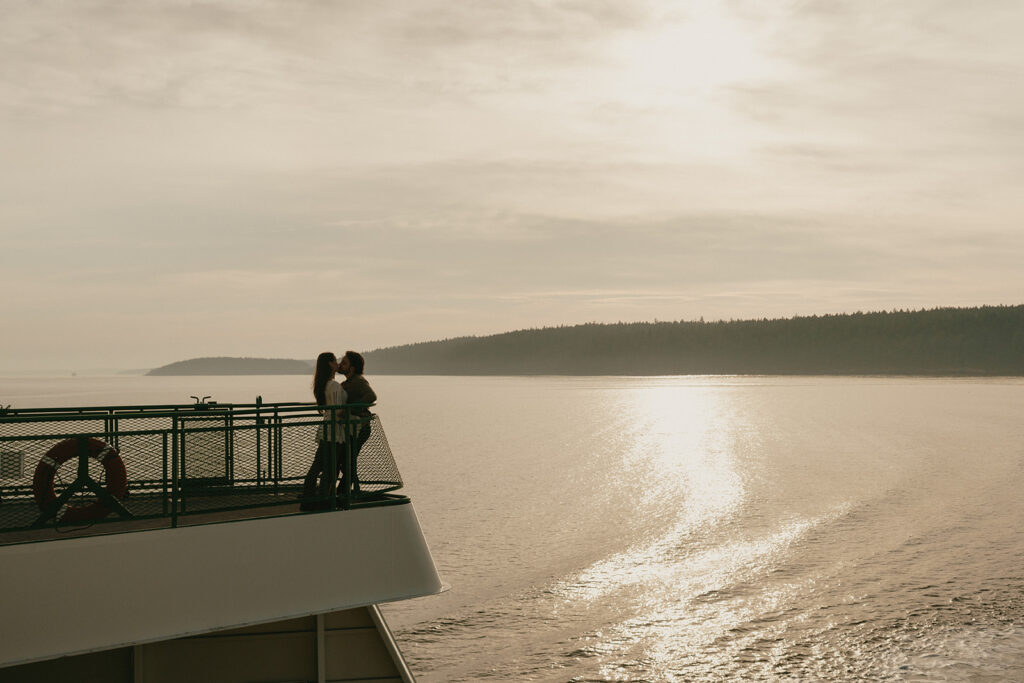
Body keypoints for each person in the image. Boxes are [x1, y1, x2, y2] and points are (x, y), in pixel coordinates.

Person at [300, 352, 347, 511]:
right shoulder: (333, 385)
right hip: (335, 430)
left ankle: (308, 497)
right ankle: (324, 499)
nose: (337, 363)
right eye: (335, 361)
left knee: (318, 465)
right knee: (331, 467)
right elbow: (339, 410)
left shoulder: (323, 385)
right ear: (329, 364)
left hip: (326, 428)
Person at [339, 350, 376, 494]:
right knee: (346, 460)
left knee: (347, 460)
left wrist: (350, 409)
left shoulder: (359, 381)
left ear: (352, 368)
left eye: (344, 363)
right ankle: (346, 490)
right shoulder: (348, 382)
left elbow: (371, 395)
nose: (341, 365)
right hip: (353, 427)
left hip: (361, 428)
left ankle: (348, 491)